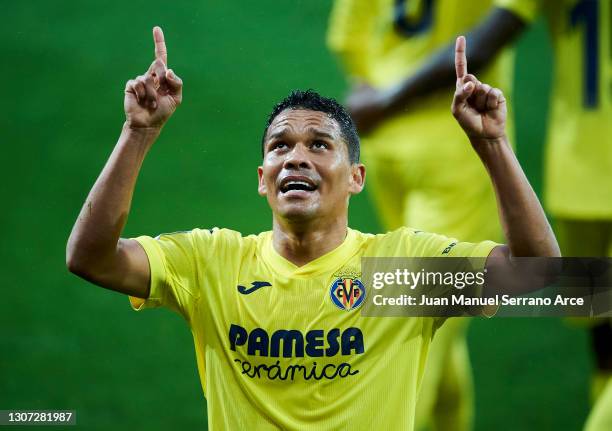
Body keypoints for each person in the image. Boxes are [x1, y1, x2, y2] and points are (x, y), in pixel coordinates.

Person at [66, 27, 559, 430]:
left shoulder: (398, 274)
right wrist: (138, 132)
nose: (296, 156)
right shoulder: (211, 264)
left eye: (320, 145)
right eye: (280, 146)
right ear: (263, 179)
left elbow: (540, 278)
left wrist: (492, 144)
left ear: (356, 178)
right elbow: (89, 258)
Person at [327, 1, 529, 429]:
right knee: (419, 320)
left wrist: (380, 99)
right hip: (456, 150)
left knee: (427, 312)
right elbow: (486, 41)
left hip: (385, 143)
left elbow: (351, 40)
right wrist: (386, 100)